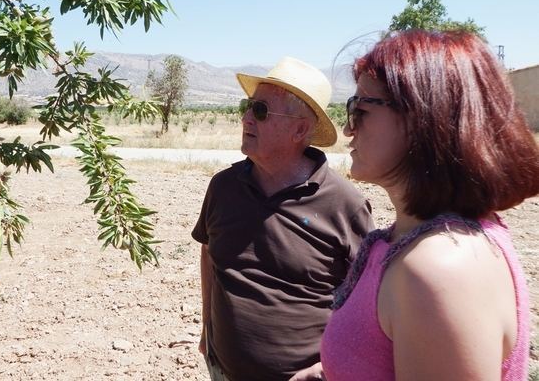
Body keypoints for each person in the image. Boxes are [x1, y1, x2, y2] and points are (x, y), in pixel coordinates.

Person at [303, 30, 539, 381]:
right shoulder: (425, 244)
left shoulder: (440, 270)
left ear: (422, 118)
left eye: (360, 109)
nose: (348, 129)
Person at [192, 57, 374, 381]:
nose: (246, 118)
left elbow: (368, 301)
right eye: (247, 107)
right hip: (222, 370)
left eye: (260, 111)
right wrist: (207, 328)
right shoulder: (223, 187)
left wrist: (327, 370)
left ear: (300, 130)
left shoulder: (345, 205)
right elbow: (209, 253)